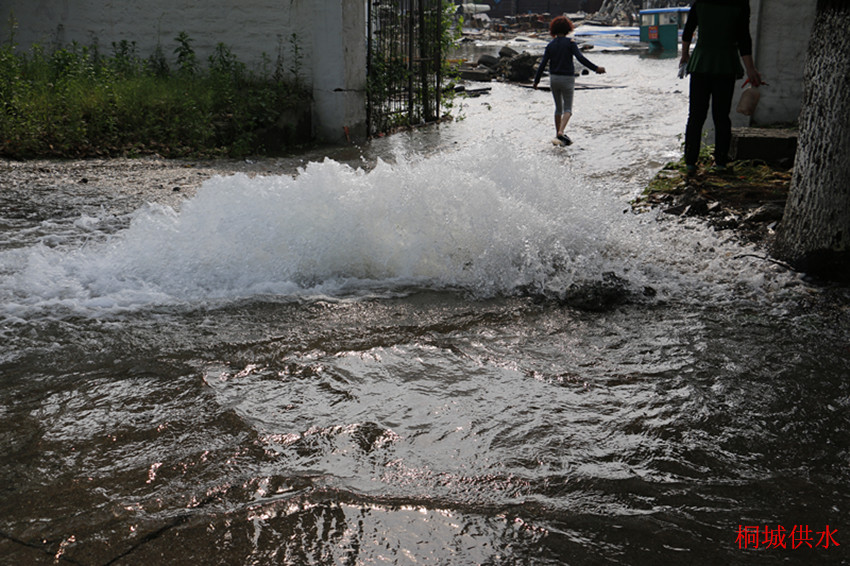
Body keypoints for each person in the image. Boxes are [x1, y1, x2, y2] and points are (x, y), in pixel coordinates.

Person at [680, 0, 763, 174]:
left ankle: (690, 163)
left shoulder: (700, 2)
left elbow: (688, 30)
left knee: (696, 115)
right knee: (721, 116)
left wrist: (685, 55)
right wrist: (750, 69)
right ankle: (720, 163)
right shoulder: (740, 4)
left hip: (701, 62)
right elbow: (743, 38)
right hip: (726, 64)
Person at [533, 16, 606, 146]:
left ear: (553, 30)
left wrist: (536, 81)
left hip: (553, 78)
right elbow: (580, 58)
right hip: (567, 78)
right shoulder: (571, 43)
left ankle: (557, 135)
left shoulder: (550, 45)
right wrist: (596, 68)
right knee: (568, 109)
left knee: (558, 108)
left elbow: (542, 64)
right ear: (568, 29)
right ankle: (561, 132)